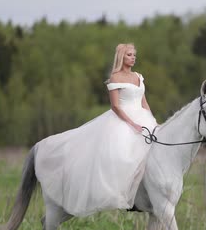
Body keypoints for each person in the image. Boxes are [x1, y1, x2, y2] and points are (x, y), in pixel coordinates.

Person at [34, 43, 158, 216]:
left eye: (134, 55)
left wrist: (152, 121)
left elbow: (144, 102)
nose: (133, 57)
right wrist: (132, 124)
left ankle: (146, 194)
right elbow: (115, 106)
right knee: (124, 155)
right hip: (123, 120)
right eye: (130, 55)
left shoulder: (139, 77)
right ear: (122, 57)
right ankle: (123, 195)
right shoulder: (115, 78)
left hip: (143, 119)